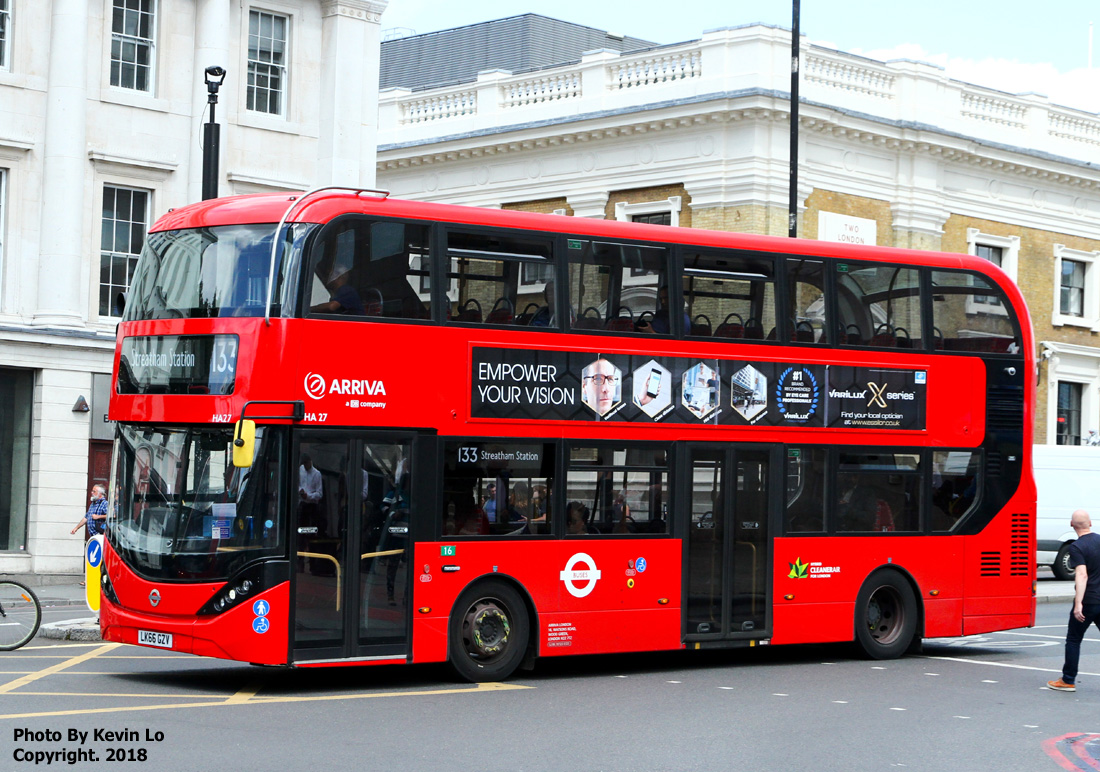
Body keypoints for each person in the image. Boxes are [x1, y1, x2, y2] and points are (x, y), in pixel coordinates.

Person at [1048, 509, 1100, 692]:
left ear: (1072, 525)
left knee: (1074, 639)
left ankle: (1068, 680)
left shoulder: (1076, 547)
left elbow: (1082, 574)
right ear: (1090, 523)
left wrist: (1079, 603)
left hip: (1089, 600)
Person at [71, 484, 108, 587]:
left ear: (100, 494)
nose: (92, 493)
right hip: (93, 537)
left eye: (94, 491)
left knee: (98, 559)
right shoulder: (93, 504)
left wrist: (98, 516)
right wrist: (76, 528)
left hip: (100, 536)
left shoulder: (105, 503)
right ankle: (90, 579)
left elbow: (112, 515)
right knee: (93, 559)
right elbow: (86, 518)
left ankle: (98, 580)